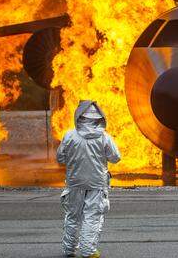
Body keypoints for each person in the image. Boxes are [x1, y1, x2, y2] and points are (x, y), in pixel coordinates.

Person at [57, 100, 121, 258]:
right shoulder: (104, 137)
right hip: (97, 183)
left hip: (74, 183)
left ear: (79, 117)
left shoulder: (69, 135)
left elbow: (60, 157)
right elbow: (115, 158)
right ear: (99, 118)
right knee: (92, 216)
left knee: (72, 216)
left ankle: (68, 250)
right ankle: (88, 251)